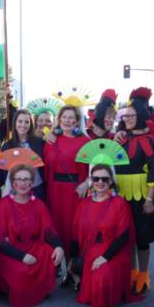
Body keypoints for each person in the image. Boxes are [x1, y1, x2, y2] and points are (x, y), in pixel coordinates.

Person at [72, 144, 138, 307]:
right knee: (95, 283)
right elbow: (76, 233)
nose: (100, 182)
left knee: (102, 279)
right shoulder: (84, 203)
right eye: (96, 179)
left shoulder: (119, 203)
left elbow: (123, 236)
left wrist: (105, 257)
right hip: (91, 250)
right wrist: (74, 260)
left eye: (104, 179)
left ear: (111, 181)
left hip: (113, 252)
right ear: (91, 181)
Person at [0, 163, 64, 307]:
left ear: (32, 183)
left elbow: (49, 229)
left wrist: (59, 246)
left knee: (49, 253)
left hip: (33, 246)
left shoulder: (38, 204)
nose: (23, 183)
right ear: (13, 183)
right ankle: (10, 289)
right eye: (19, 179)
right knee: (22, 273)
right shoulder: (4, 204)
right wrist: (22, 256)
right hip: (11, 250)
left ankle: (40, 289)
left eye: (27, 179)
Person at [114, 87, 154, 294]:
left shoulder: (150, 139)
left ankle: (143, 273)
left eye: (132, 115)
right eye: (126, 115)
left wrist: (150, 199)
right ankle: (131, 272)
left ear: (140, 115)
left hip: (142, 195)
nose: (128, 119)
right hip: (121, 194)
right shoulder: (120, 138)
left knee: (142, 237)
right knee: (127, 235)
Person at [43, 105, 91, 268]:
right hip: (55, 192)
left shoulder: (85, 142)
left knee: (74, 230)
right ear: (59, 120)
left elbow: (94, 168)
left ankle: (74, 268)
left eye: (71, 118)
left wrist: (86, 183)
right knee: (56, 228)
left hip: (76, 192)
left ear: (77, 121)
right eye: (64, 117)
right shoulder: (51, 140)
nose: (67, 120)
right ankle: (57, 266)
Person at [0, 109, 46, 199]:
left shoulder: (39, 143)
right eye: (20, 121)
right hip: (16, 190)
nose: (23, 125)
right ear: (15, 123)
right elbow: (3, 171)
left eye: (26, 122)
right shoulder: (7, 146)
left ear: (30, 125)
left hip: (36, 189)